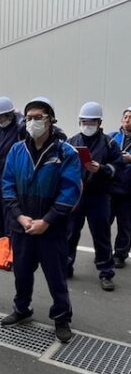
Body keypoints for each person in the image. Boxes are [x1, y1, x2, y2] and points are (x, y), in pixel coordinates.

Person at [1, 97, 82, 343]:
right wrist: (19, 216)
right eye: (29, 118)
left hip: (52, 228)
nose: (32, 122)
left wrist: (46, 221)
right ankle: (22, 309)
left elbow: (70, 191)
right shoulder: (17, 150)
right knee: (22, 273)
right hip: (22, 226)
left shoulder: (66, 152)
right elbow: (7, 185)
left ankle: (61, 317)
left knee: (56, 275)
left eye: (38, 117)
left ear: (50, 120)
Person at [67, 102, 123, 291]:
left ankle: (106, 272)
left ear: (99, 123)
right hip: (77, 195)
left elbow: (118, 168)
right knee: (70, 232)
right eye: (84, 122)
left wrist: (102, 169)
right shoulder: (72, 141)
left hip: (99, 196)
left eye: (91, 122)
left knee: (101, 235)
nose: (87, 125)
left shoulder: (109, 143)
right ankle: (66, 265)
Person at [0, 96, 26, 241]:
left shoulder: (18, 129)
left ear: (10, 115)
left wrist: (19, 116)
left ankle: (10, 248)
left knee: (9, 214)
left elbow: (26, 127)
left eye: (2, 116)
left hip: (10, 176)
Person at [109, 107, 131, 268]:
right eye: (125, 117)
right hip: (110, 188)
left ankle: (120, 255)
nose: (127, 120)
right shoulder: (112, 137)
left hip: (128, 192)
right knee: (103, 223)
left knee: (126, 225)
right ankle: (103, 252)